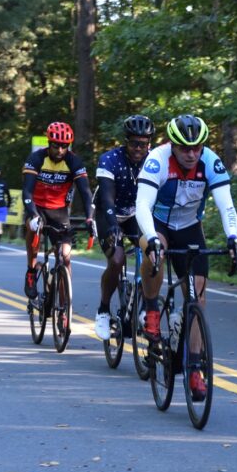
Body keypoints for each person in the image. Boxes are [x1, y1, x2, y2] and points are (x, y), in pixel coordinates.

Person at [135, 114, 237, 400]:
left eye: (197, 147)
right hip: (158, 223)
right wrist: (153, 239)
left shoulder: (210, 161)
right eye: (185, 148)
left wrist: (233, 237)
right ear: (173, 145)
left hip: (190, 228)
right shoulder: (157, 159)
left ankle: (194, 368)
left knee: (198, 299)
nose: (191, 153)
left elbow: (226, 206)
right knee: (153, 248)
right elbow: (142, 206)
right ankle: (152, 311)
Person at [92, 114, 156, 341]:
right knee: (117, 260)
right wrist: (112, 227)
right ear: (126, 141)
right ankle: (103, 310)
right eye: (133, 143)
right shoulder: (110, 160)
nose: (138, 148)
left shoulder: (153, 162)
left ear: (149, 144)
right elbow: (107, 200)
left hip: (135, 214)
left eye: (144, 144)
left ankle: (145, 307)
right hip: (108, 213)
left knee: (153, 252)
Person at [21, 121, 94, 299]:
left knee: (65, 256)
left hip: (59, 211)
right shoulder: (36, 159)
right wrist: (33, 215)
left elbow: (85, 192)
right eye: (56, 146)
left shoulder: (73, 161)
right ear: (49, 143)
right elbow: (27, 191)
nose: (60, 150)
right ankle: (31, 272)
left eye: (64, 146)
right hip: (37, 207)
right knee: (33, 231)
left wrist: (90, 218)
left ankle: (64, 305)